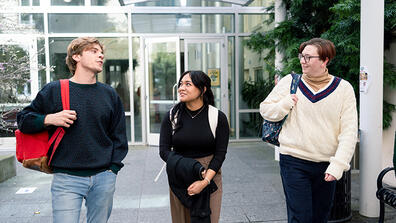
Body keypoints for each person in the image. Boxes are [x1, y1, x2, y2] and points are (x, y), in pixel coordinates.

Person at [17, 37, 128, 223]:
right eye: (93, 51)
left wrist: (112, 169)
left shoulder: (109, 94)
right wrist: (49, 119)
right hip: (66, 179)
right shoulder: (54, 90)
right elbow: (23, 120)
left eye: (101, 52)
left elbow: (119, 136)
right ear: (76, 56)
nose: (100, 55)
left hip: (103, 178)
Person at [260, 38, 357, 223]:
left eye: (308, 57)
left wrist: (338, 165)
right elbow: (265, 110)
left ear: (325, 60)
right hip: (293, 161)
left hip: (326, 164)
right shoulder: (290, 82)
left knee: (320, 217)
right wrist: (285, 103)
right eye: (301, 56)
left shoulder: (343, 89)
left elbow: (349, 131)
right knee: (300, 217)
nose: (302, 61)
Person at [159, 70, 229, 223]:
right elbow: (163, 151)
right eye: (181, 84)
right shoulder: (172, 116)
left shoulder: (217, 117)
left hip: (209, 175)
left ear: (203, 89)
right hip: (179, 173)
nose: (181, 88)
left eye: (188, 84)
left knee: (207, 219)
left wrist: (204, 181)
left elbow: (220, 154)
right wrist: (189, 166)